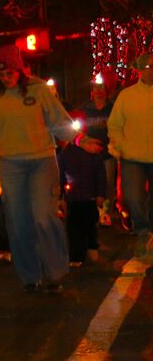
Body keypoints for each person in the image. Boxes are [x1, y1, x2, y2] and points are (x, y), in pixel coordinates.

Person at [0, 45, 80, 292]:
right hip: (12, 164)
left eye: (10, 73)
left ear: (20, 69)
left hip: (41, 161)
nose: (6, 79)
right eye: (1, 75)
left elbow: (59, 121)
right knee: (17, 220)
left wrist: (79, 139)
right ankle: (30, 276)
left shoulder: (39, 89)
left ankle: (55, 271)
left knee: (43, 216)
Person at [107, 52, 153, 257]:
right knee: (133, 198)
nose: (150, 71)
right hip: (132, 157)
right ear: (140, 71)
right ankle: (143, 230)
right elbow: (115, 124)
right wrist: (119, 144)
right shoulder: (127, 96)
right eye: (147, 67)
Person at [59, 124, 106, 266]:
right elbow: (60, 175)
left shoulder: (92, 153)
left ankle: (91, 245)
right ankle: (75, 256)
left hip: (89, 197)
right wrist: (60, 196)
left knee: (90, 223)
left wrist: (100, 194)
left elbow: (100, 174)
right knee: (73, 227)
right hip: (72, 197)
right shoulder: (65, 153)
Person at [80, 71, 118, 227]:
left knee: (108, 182)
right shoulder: (85, 108)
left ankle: (106, 212)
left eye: (102, 87)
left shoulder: (112, 108)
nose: (99, 90)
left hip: (107, 152)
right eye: (96, 87)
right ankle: (93, 212)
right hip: (90, 153)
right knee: (91, 183)